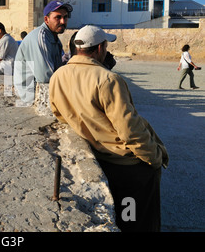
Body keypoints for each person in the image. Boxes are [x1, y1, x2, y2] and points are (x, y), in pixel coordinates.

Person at [49, 25, 169, 232]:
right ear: (99, 48)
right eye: (105, 46)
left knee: (122, 215)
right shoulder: (109, 80)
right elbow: (130, 130)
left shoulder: (58, 76)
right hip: (127, 164)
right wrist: (154, 157)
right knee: (137, 219)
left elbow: (59, 113)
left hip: (100, 156)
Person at [13, 0, 73, 105]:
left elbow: (57, 67)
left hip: (40, 88)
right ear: (46, 19)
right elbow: (45, 77)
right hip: (31, 93)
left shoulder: (54, 37)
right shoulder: (40, 37)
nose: (63, 21)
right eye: (58, 17)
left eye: (65, 17)